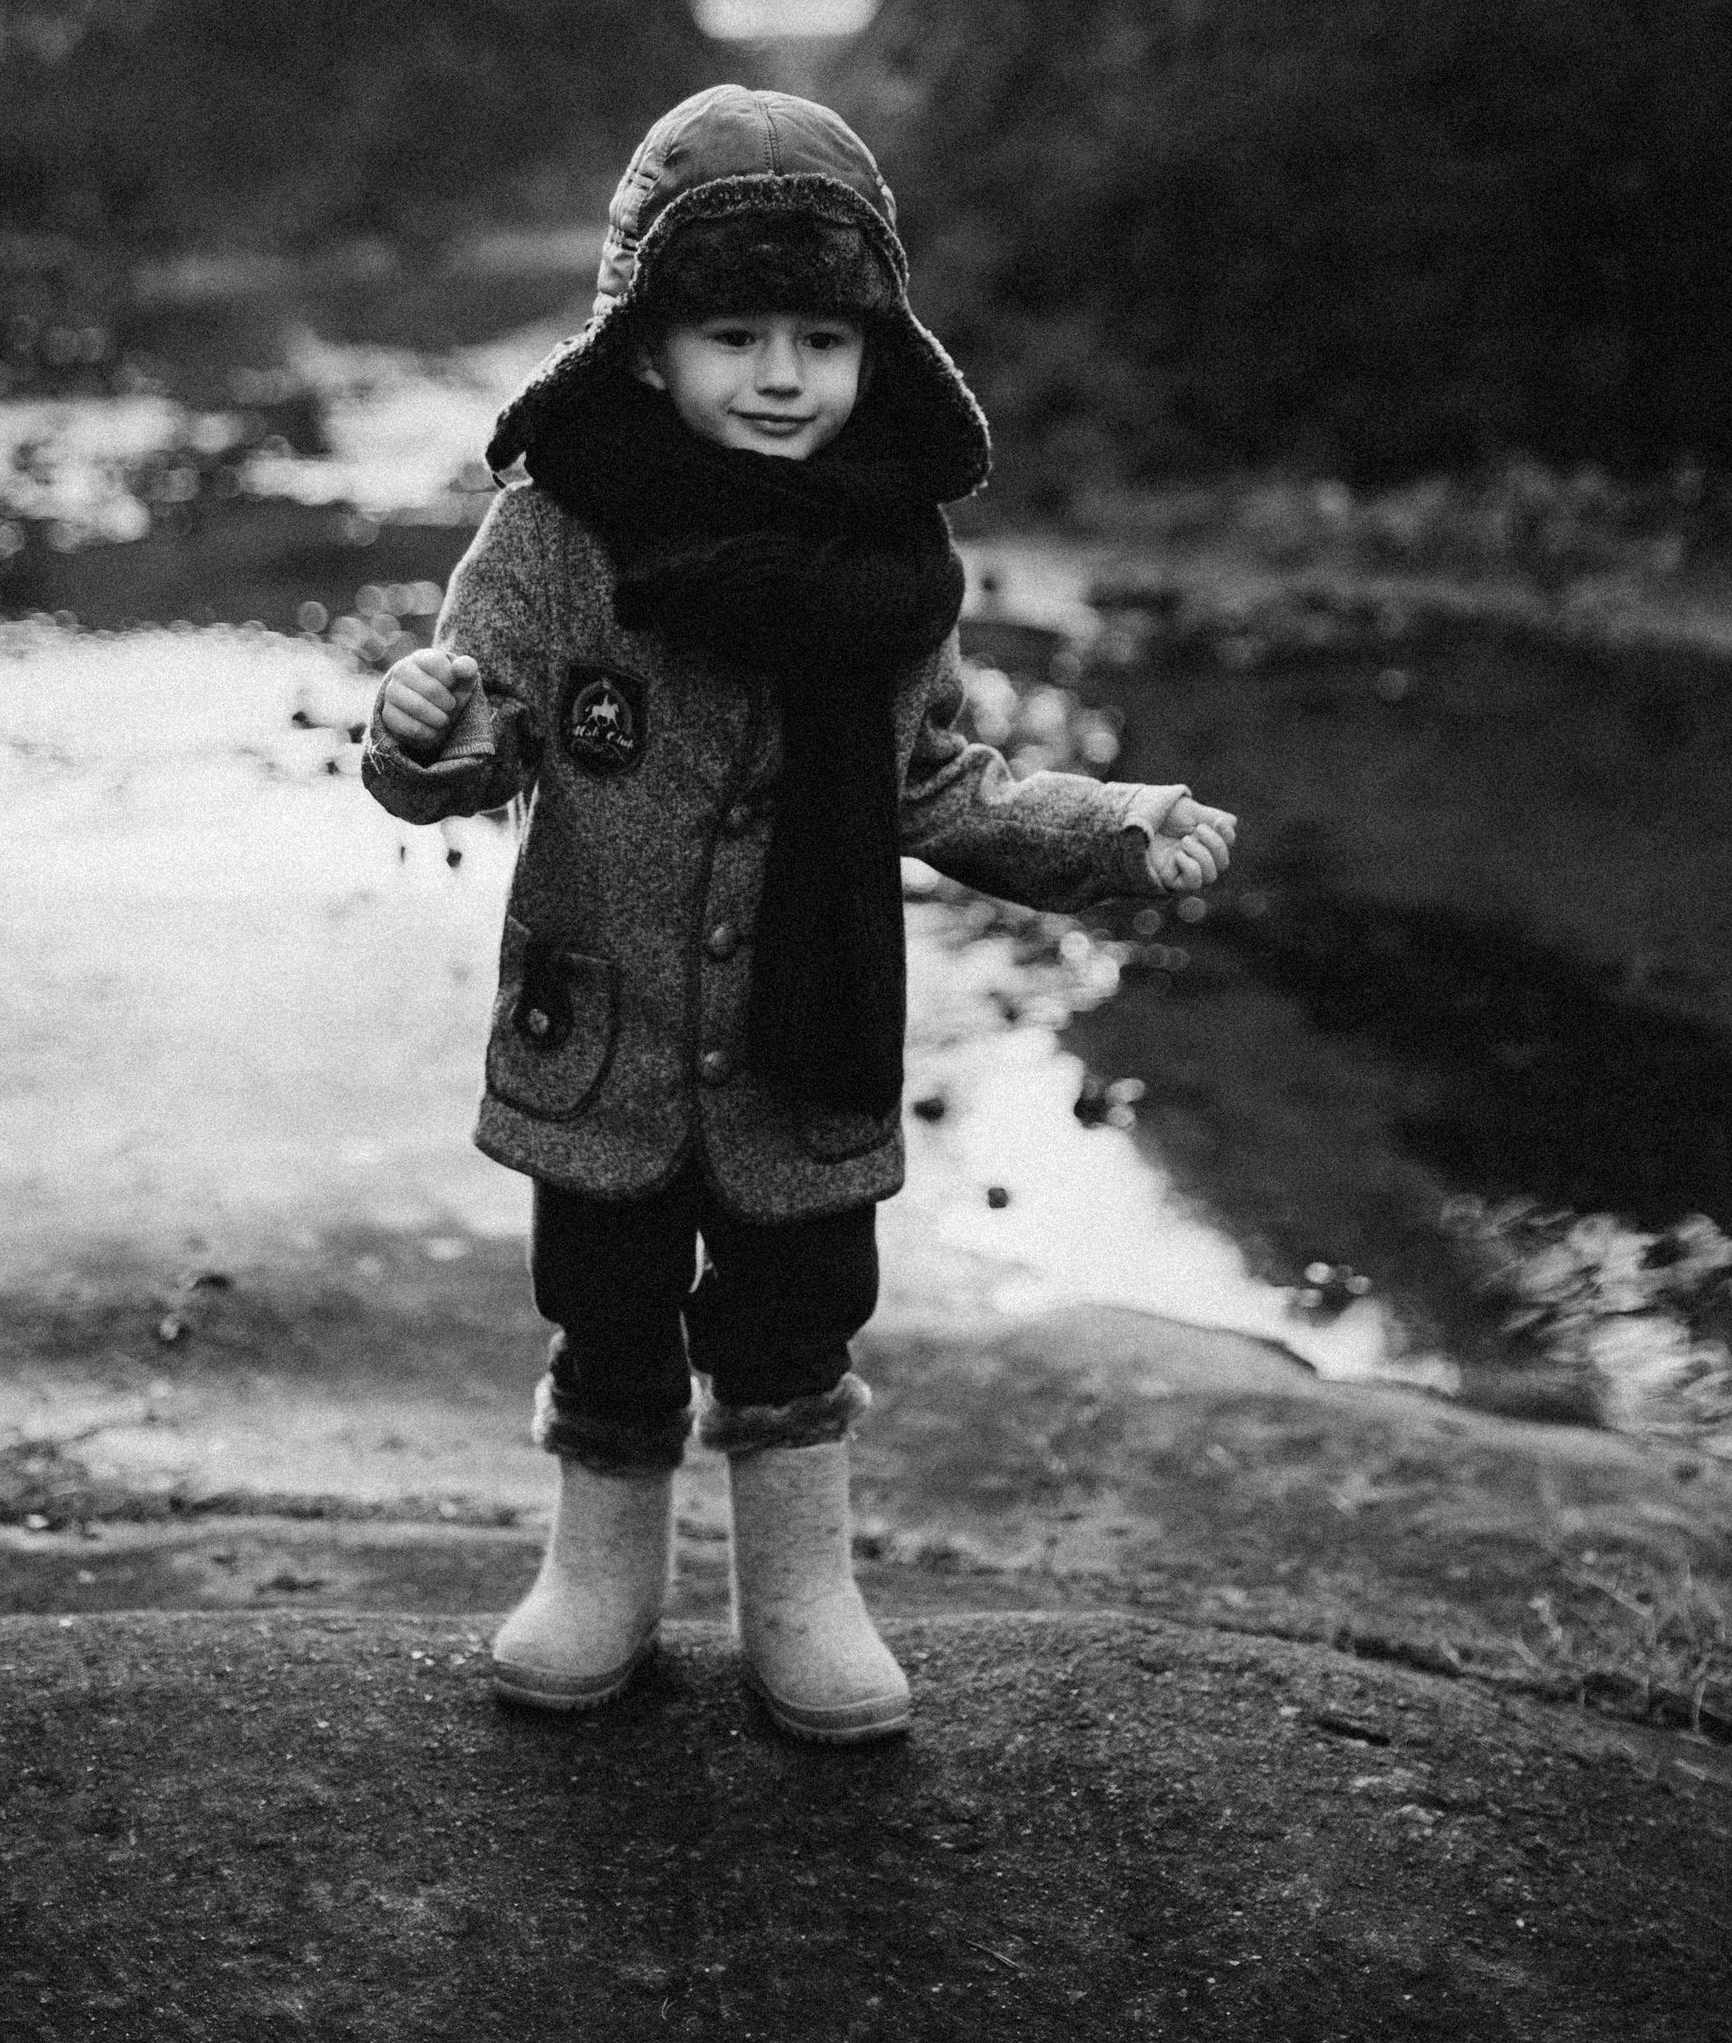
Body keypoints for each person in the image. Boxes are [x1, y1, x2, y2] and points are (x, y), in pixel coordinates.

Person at [363, 85, 1236, 1743]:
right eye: (735, 336)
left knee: (792, 1327)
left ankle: (804, 1599)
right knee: (609, 1311)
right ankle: (600, 1580)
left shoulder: (895, 563)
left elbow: (944, 785)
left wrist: (1118, 830)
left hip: (806, 1049)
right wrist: (426, 735)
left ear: (877, 352)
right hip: (603, 1041)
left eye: (822, 341)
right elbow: (476, 744)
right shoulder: (556, 533)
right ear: (642, 346)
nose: (781, 379)